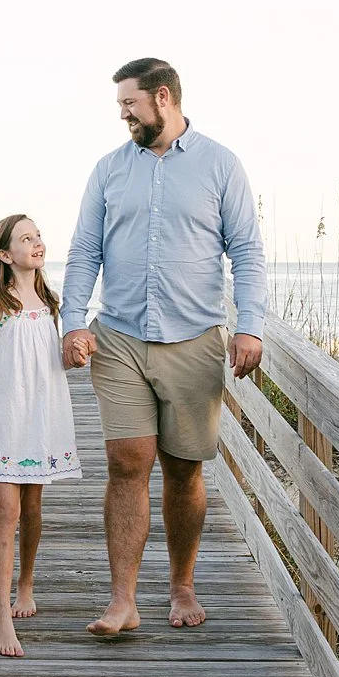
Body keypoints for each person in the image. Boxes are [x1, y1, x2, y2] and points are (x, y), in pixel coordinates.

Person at [62, 58, 266, 637]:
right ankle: (122, 600)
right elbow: (83, 252)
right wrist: (72, 321)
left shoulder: (219, 165)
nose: (123, 114)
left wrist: (250, 326)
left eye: (130, 103)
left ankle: (181, 583)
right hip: (120, 336)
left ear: (164, 97)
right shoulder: (109, 170)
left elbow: (246, 252)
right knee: (127, 463)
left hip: (194, 339)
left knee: (182, 471)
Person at [0, 214, 81, 657]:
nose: (37, 242)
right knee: (6, 509)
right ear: (5, 255)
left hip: (44, 413)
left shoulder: (52, 301)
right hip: (9, 413)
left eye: (38, 236)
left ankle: (26, 585)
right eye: (25, 238)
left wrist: (78, 355)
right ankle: (1, 615)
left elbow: (55, 360)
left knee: (33, 505)